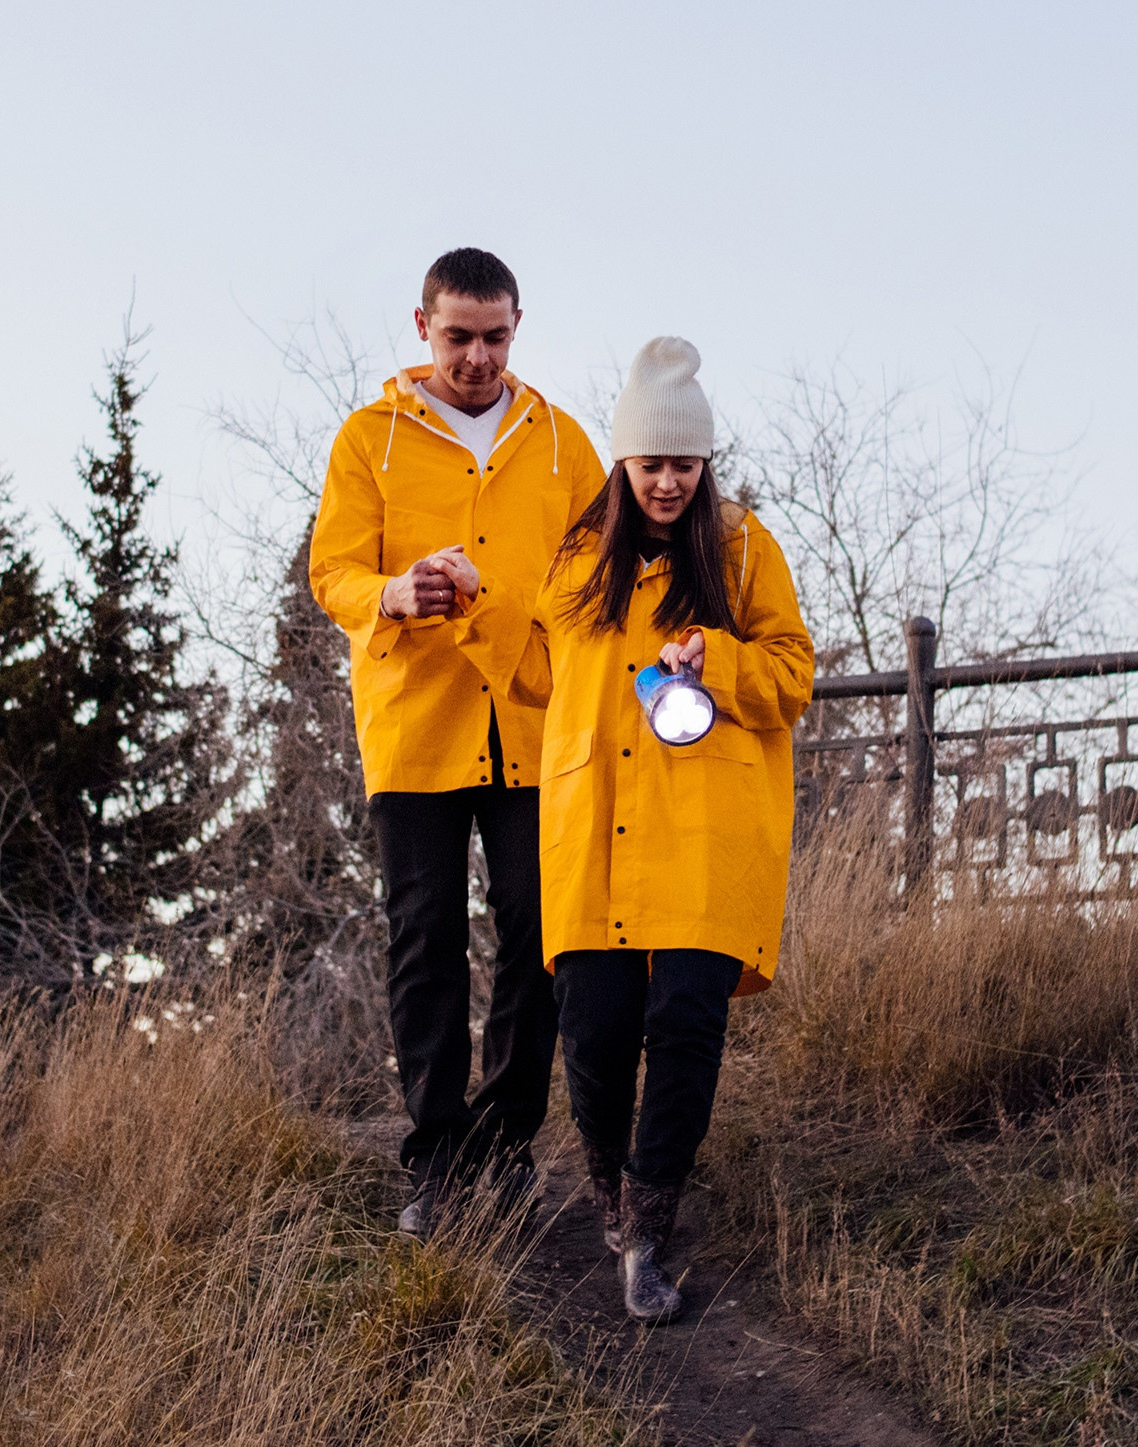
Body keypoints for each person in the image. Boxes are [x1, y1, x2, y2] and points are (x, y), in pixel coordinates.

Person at [435, 336, 814, 1319]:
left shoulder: (740, 549)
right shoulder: (576, 564)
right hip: (594, 834)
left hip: (703, 831)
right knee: (596, 1036)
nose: (666, 483)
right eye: (650, 464)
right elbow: (535, 676)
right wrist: (475, 613)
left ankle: (649, 1228)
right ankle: (611, 1190)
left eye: (684, 464)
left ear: (705, 463)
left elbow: (792, 674)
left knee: (686, 1023)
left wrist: (719, 662)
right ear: (622, 462)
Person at [308, 249, 606, 1236]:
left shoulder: (564, 446)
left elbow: (593, 585)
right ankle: (435, 1154)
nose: (476, 356)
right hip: (415, 730)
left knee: (538, 938)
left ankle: (505, 1139)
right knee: (424, 944)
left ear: (518, 326)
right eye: (457, 336)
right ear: (421, 327)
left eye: (495, 336)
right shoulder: (370, 440)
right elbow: (334, 571)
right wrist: (391, 593)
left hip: (535, 727)